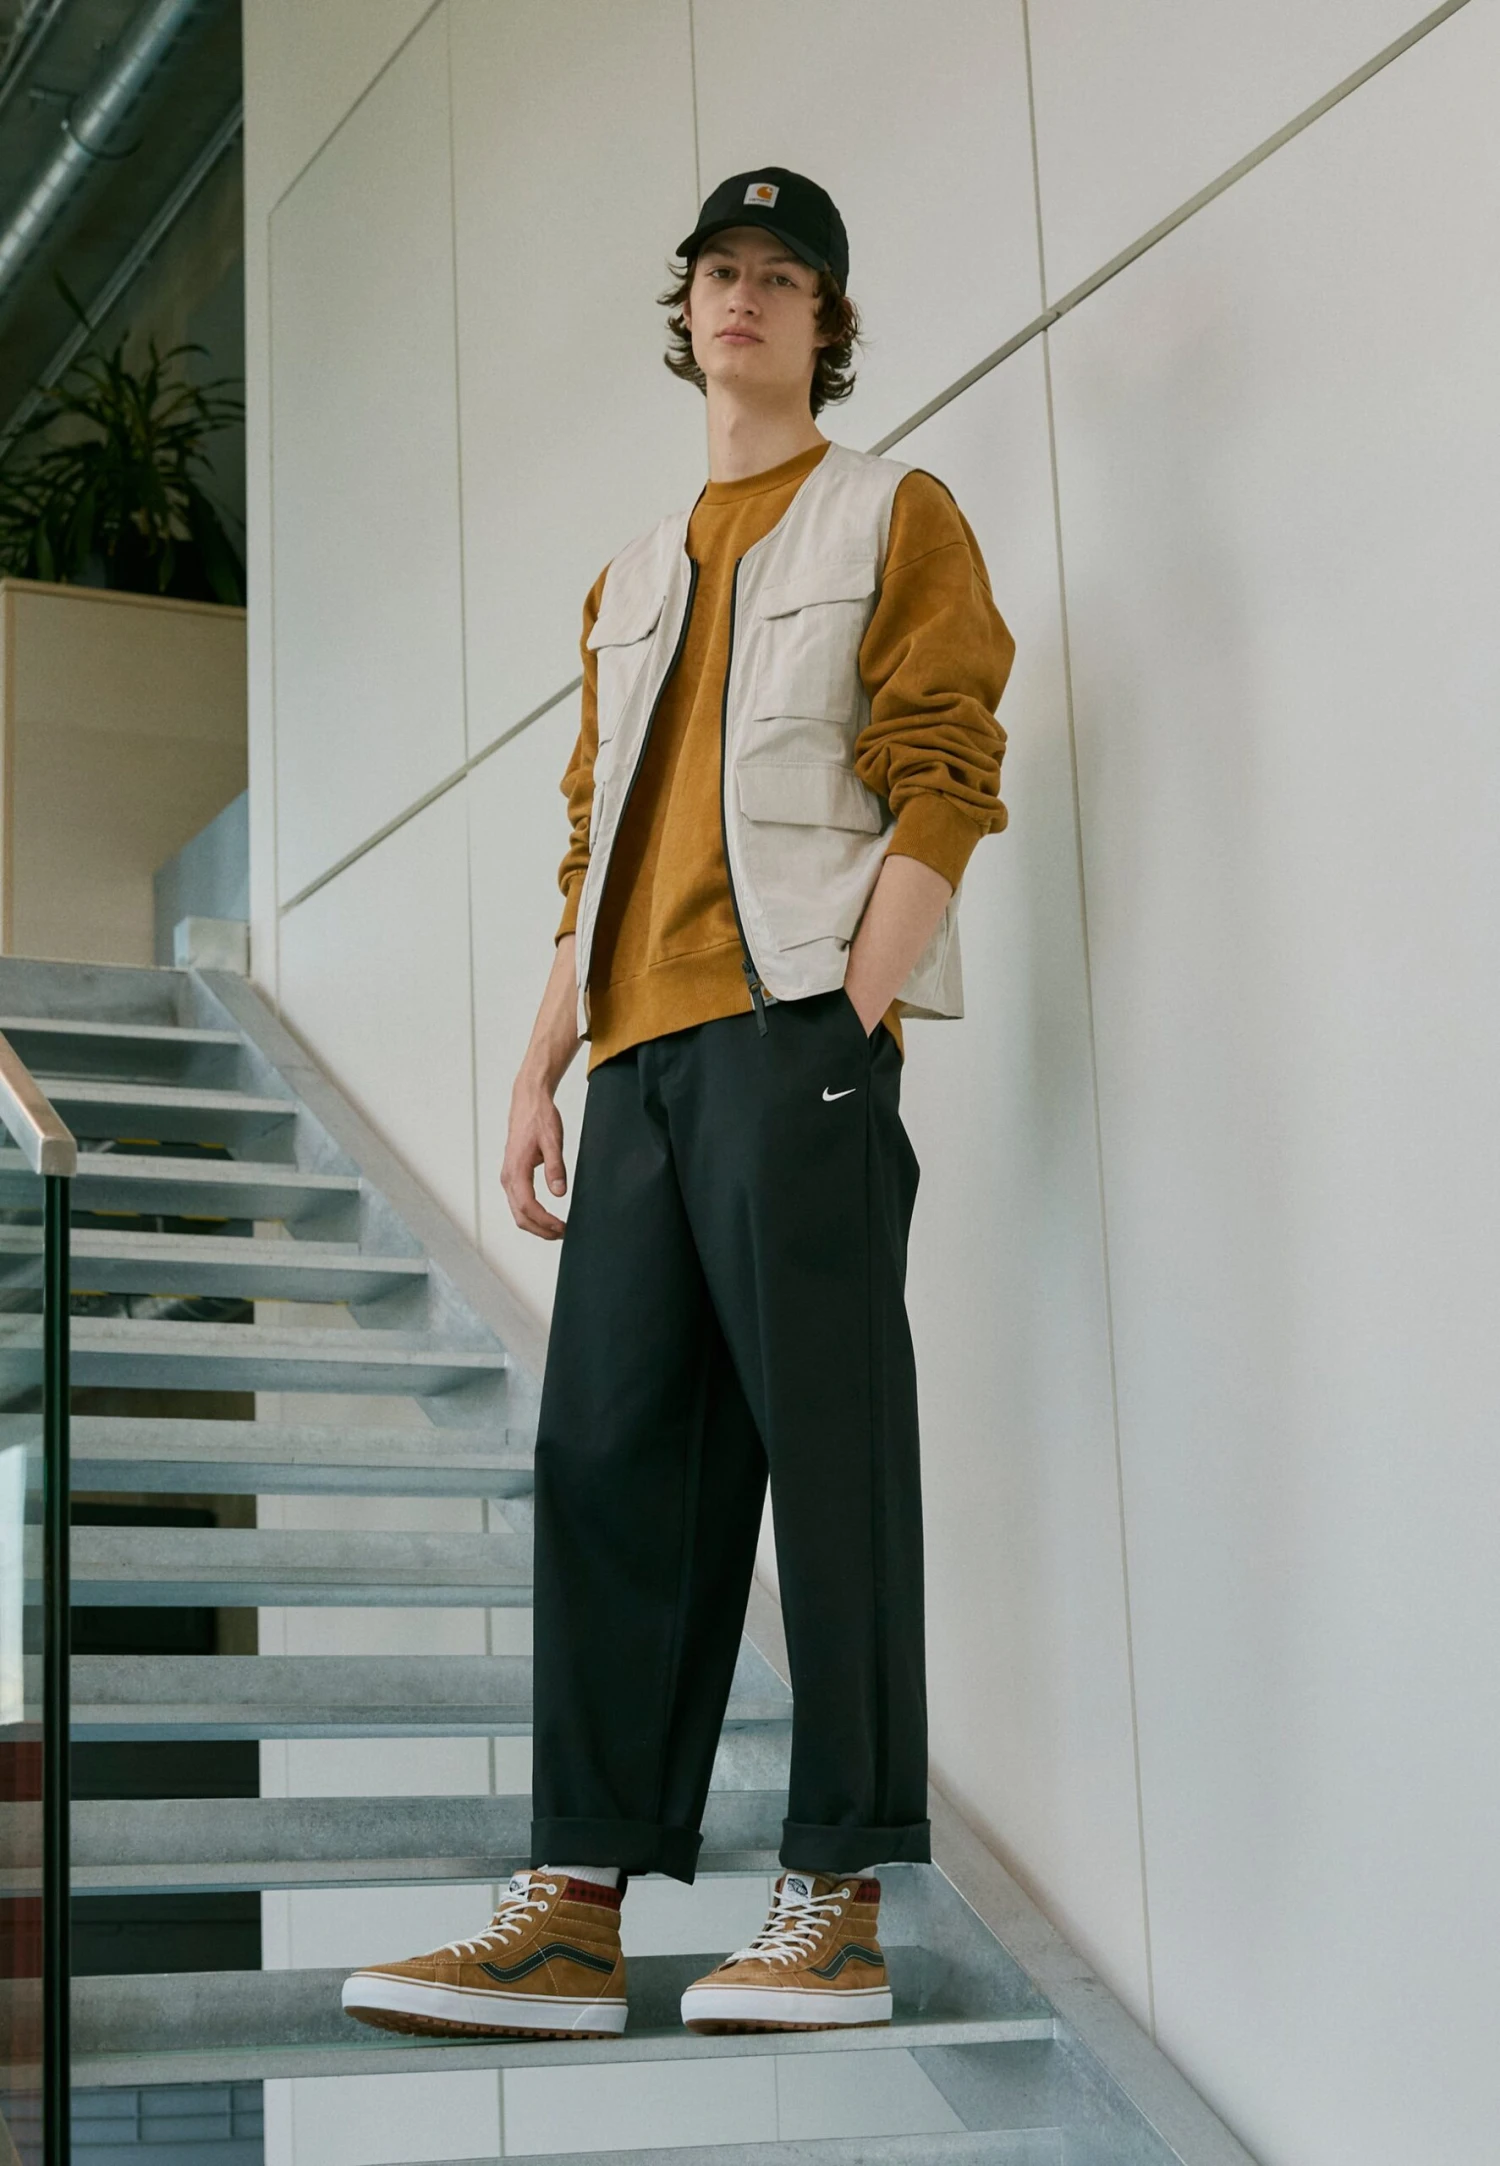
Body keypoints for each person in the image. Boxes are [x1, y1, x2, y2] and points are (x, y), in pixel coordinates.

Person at [343, 165, 1014, 2043]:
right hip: (636, 1068)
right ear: (689, 306)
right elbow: (595, 842)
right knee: (609, 1464)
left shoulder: (894, 511)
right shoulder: (631, 574)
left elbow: (947, 767)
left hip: (792, 1038)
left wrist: (850, 1012)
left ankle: (838, 1902)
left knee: (835, 1461)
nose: (747, 296)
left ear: (828, 324)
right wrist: (538, 1061)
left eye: (785, 277)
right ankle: (573, 1908)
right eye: (723, 269)